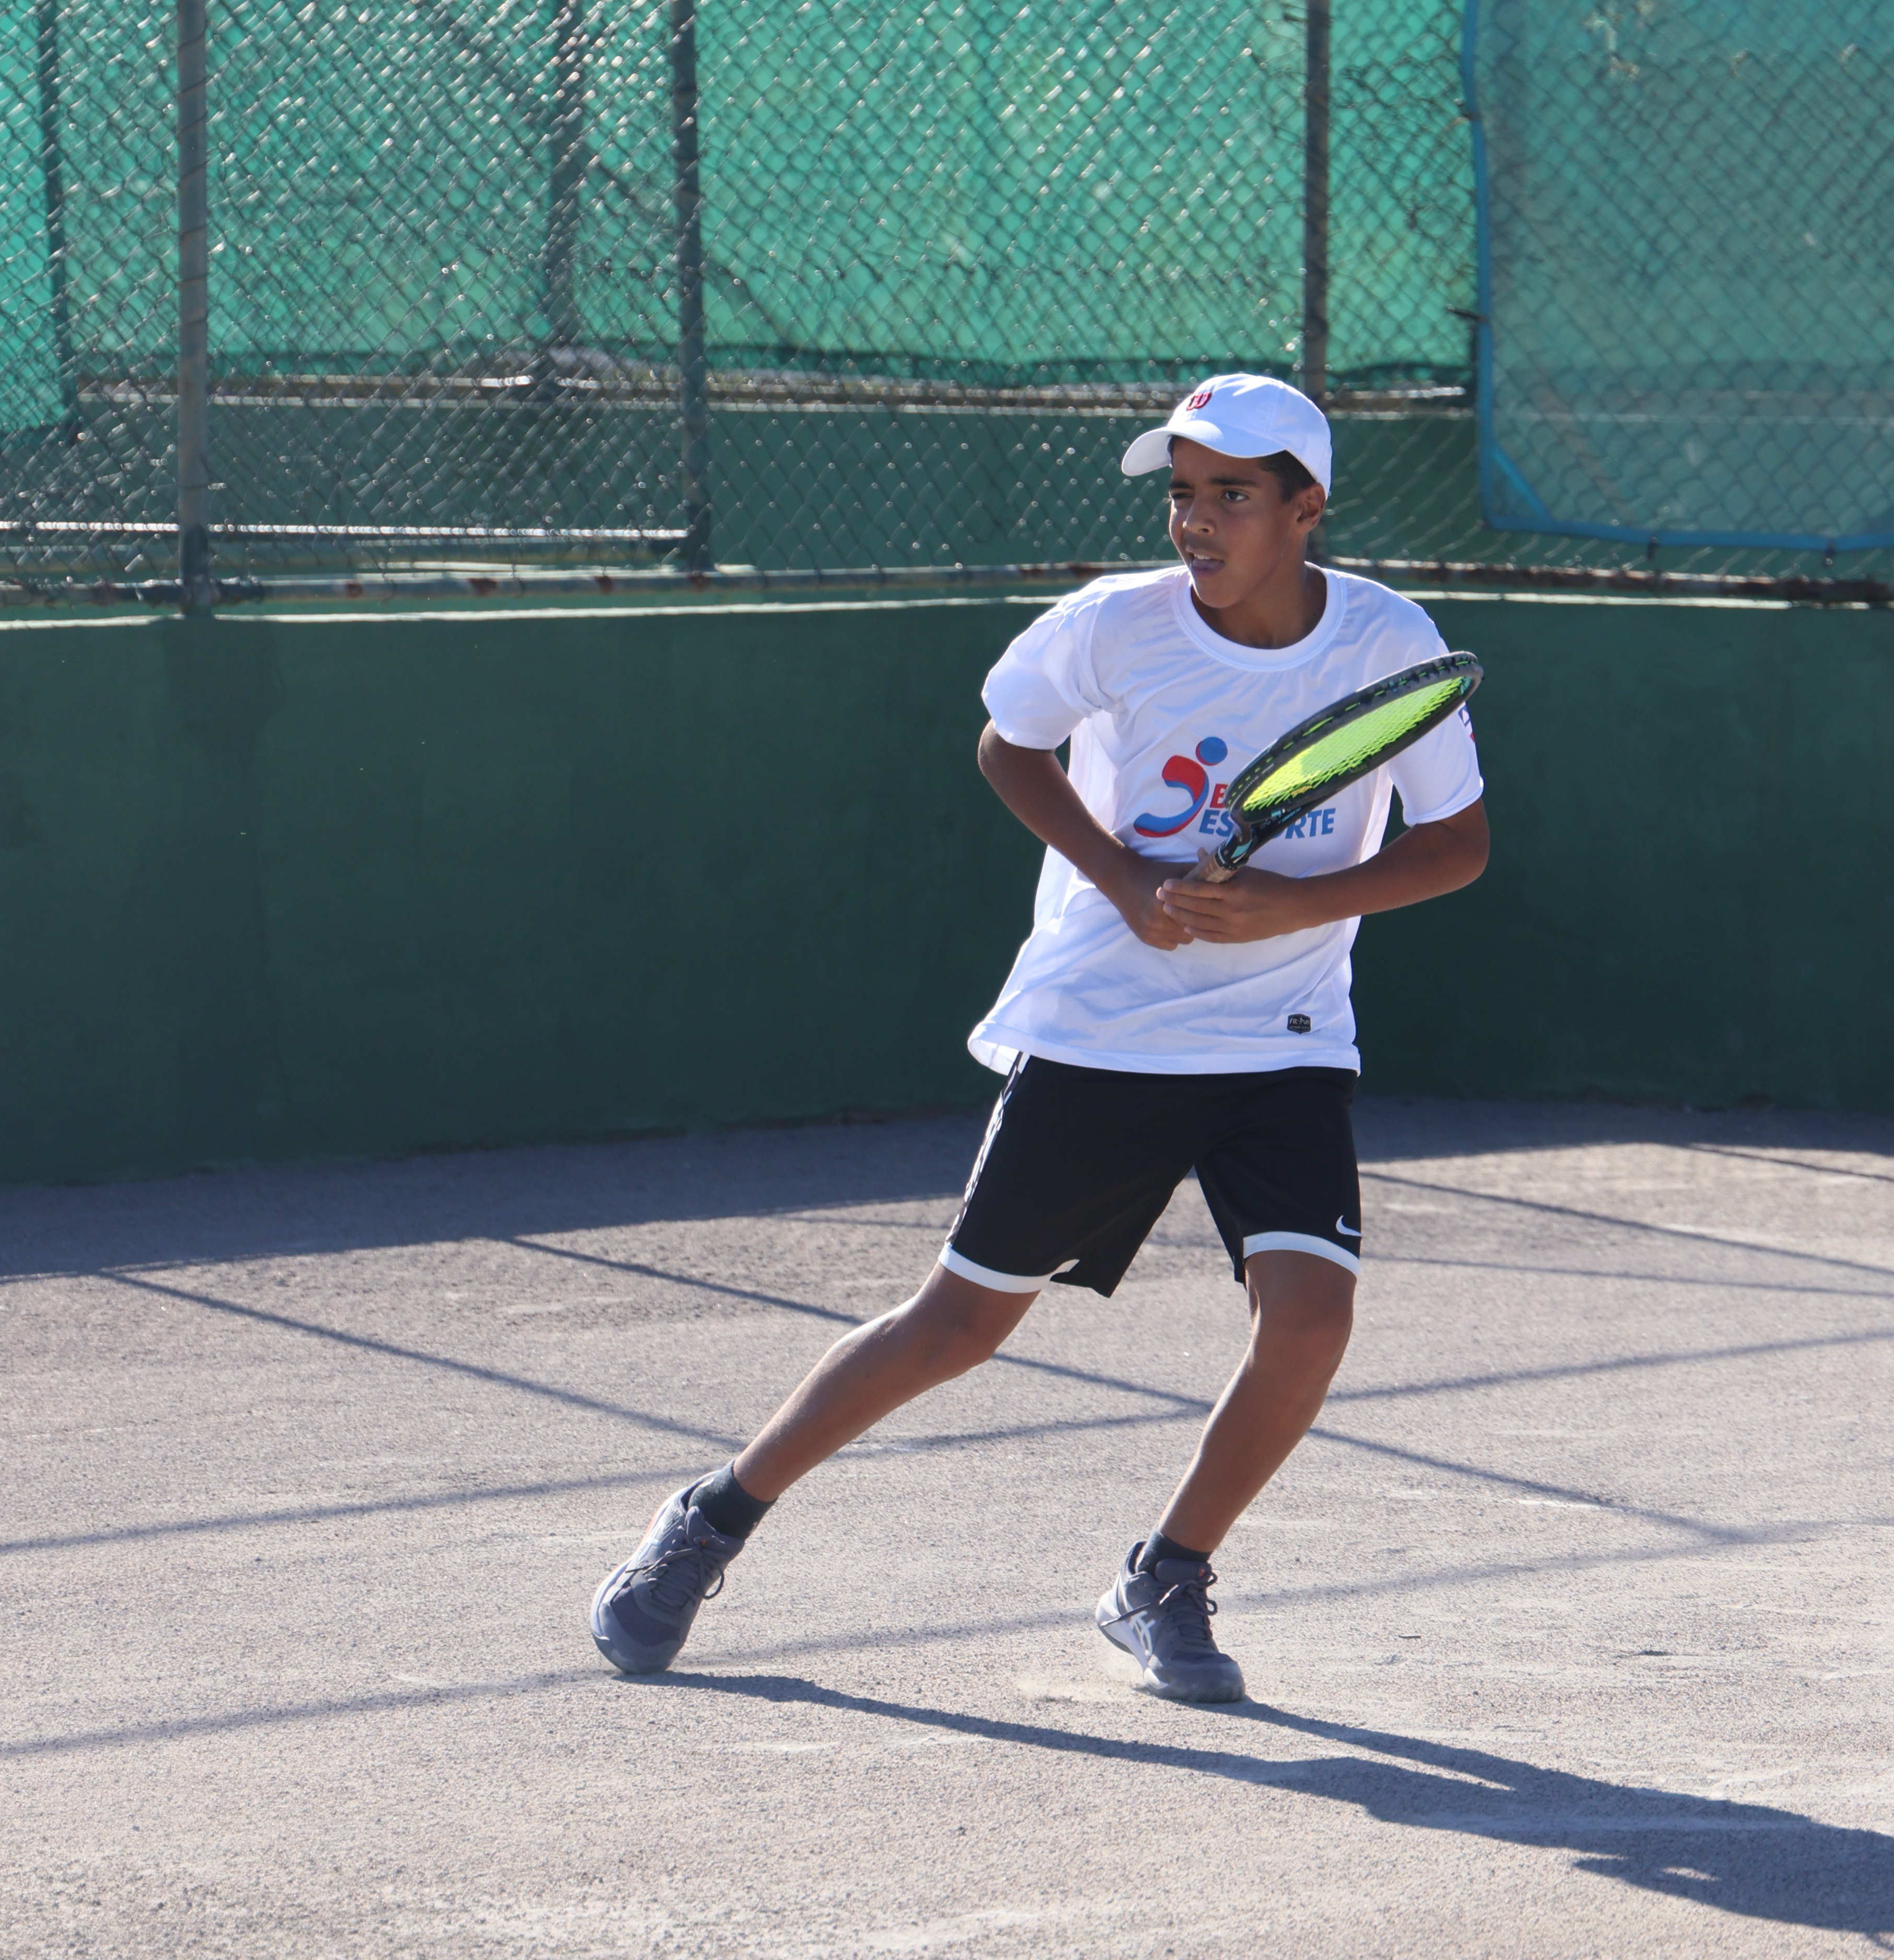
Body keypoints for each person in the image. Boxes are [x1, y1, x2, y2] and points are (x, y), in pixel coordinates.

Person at [590, 371, 1490, 1701]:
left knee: (1310, 1318)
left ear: (1308, 508)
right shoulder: (1114, 627)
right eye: (1182, 494)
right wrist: (1126, 878)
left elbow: (1457, 845)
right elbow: (1011, 747)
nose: (1197, 520)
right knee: (958, 1324)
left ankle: (1166, 1572)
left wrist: (1296, 903)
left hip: (1283, 1034)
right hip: (1104, 1029)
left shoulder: (1385, 639)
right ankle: (712, 1516)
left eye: (1232, 494)